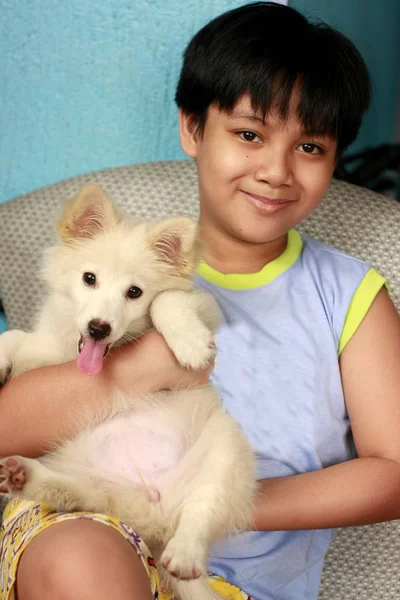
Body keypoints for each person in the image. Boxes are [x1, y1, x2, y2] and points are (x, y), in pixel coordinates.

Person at [1, 2, 400, 599]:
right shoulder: (112, 274)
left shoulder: (348, 296)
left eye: (310, 147)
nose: (276, 170)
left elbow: (394, 471)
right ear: (192, 128)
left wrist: (214, 503)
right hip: (85, 524)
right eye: (249, 134)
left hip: (236, 584)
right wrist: (136, 369)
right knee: (84, 558)